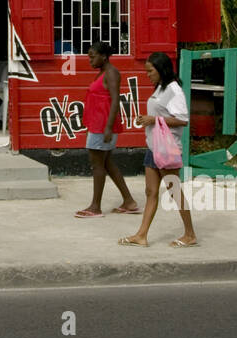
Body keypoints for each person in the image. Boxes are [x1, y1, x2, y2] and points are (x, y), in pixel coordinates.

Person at [119, 50, 197, 248]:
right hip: (153, 146)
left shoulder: (174, 90)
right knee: (150, 191)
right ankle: (141, 235)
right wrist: (147, 120)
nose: (148, 74)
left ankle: (190, 234)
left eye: (150, 70)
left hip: (166, 149)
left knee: (175, 192)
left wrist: (154, 119)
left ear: (161, 69)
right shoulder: (161, 88)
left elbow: (183, 120)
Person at [74, 42, 141, 218]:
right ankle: (129, 201)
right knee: (107, 164)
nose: (90, 60)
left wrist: (108, 128)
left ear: (103, 56)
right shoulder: (103, 72)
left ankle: (95, 207)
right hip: (99, 125)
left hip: (102, 126)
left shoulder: (111, 73)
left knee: (97, 165)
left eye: (92, 56)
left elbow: (115, 100)